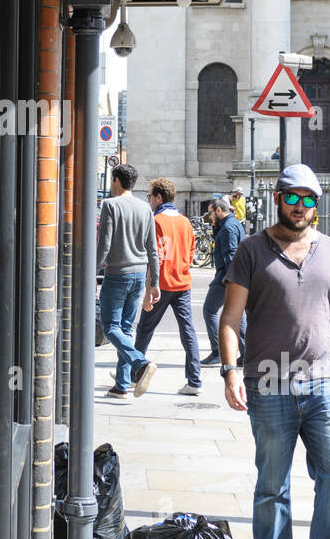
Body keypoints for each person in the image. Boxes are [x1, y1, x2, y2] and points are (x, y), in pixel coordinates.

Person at [218, 163, 330, 539]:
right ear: (277, 199)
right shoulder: (252, 249)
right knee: (272, 487)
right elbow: (231, 317)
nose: (299, 206)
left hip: (322, 383)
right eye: (292, 197)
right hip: (267, 384)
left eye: (307, 199)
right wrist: (230, 370)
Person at [96, 164, 159, 399]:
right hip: (139, 274)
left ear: (115, 181)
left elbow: (104, 244)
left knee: (111, 327)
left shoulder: (110, 205)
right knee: (125, 329)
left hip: (117, 273)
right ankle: (121, 385)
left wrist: (93, 273)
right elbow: (153, 248)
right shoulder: (145, 208)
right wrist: (155, 282)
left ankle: (141, 363)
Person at [134, 179, 201, 394]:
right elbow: (191, 253)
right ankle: (194, 381)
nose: (149, 201)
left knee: (144, 329)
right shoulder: (185, 222)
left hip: (162, 283)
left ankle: (133, 374)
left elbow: (156, 257)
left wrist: (149, 289)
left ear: (159, 197)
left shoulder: (156, 221)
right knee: (188, 331)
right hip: (182, 282)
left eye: (150, 196)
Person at [200, 195, 245, 367]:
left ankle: (218, 352)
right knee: (238, 316)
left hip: (226, 277)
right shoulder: (232, 224)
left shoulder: (227, 229)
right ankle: (246, 353)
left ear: (219, 210)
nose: (210, 217)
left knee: (209, 310)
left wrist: (229, 281)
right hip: (234, 277)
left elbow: (231, 255)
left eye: (211, 213)